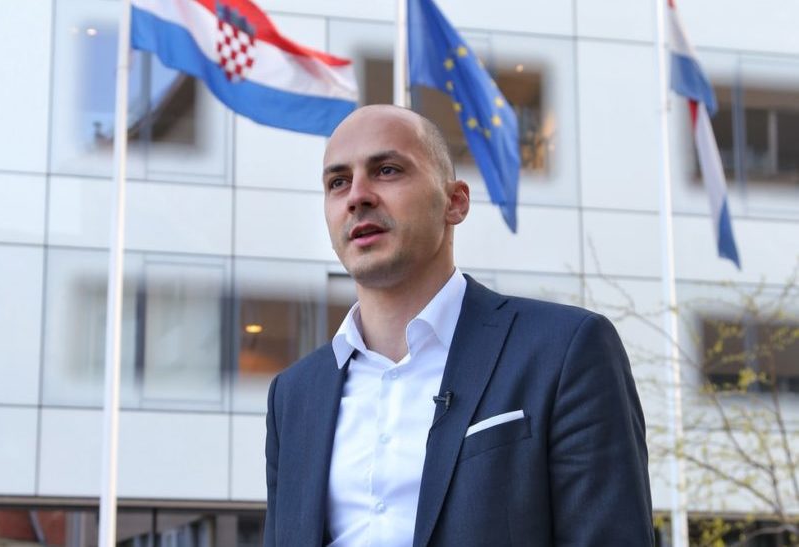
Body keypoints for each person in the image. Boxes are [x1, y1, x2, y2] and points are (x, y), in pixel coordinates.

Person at [264, 104, 654, 546]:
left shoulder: (565, 351)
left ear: (455, 202)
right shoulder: (293, 396)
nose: (357, 196)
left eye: (387, 170)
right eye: (338, 182)